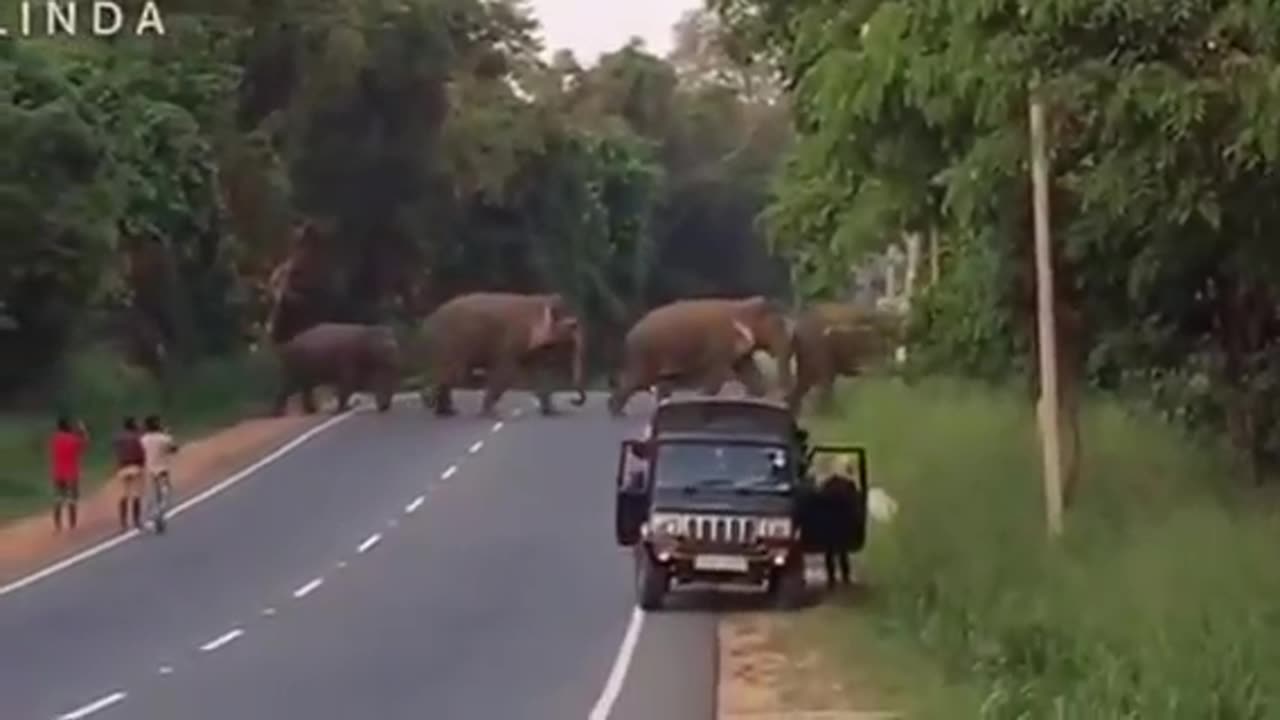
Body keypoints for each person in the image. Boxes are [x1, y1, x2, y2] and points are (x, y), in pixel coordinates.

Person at [816, 453, 862, 589]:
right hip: (842, 524)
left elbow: (820, 504)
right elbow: (855, 504)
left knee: (830, 553)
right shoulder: (848, 485)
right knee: (842, 553)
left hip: (830, 524)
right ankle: (844, 579)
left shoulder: (826, 485)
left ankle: (832, 580)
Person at [49, 416, 89, 532]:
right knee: (72, 500)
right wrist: (83, 430)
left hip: (57, 472)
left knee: (58, 499)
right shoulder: (73, 439)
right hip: (71, 473)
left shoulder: (54, 439)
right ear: (68, 427)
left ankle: (58, 526)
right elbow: (85, 444)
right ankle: (72, 526)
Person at [140, 415, 178, 533]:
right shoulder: (164, 438)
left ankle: (149, 517)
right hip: (162, 470)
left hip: (149, 471)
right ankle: (158, 514)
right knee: (165, 496)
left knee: (153, 495)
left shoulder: (143, 439)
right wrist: (168, 435)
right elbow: (174, 449)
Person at [112, 417, 146, 530]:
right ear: (133, 426)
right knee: (136, 496)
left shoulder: (119, 438)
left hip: (122, 468)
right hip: (135, 467)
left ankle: (123, 523)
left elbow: (116, 448)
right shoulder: (137, 437)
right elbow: (141, 452)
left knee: (123, 496)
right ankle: (136, 521)